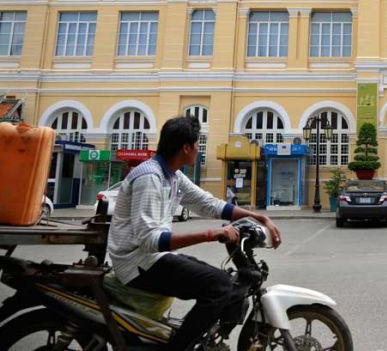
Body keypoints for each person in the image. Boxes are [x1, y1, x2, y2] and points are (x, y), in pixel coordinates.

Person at [107, 115, 282, 351]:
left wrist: (257, 217)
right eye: (198, 145)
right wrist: (212, 234)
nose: (199, 150)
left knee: (218, 278)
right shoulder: (150, 177)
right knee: (218, 285)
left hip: (150, 259)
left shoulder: (172, 175)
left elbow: (208, 204)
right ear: (186, 147)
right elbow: (150, 240)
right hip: (136, 262)